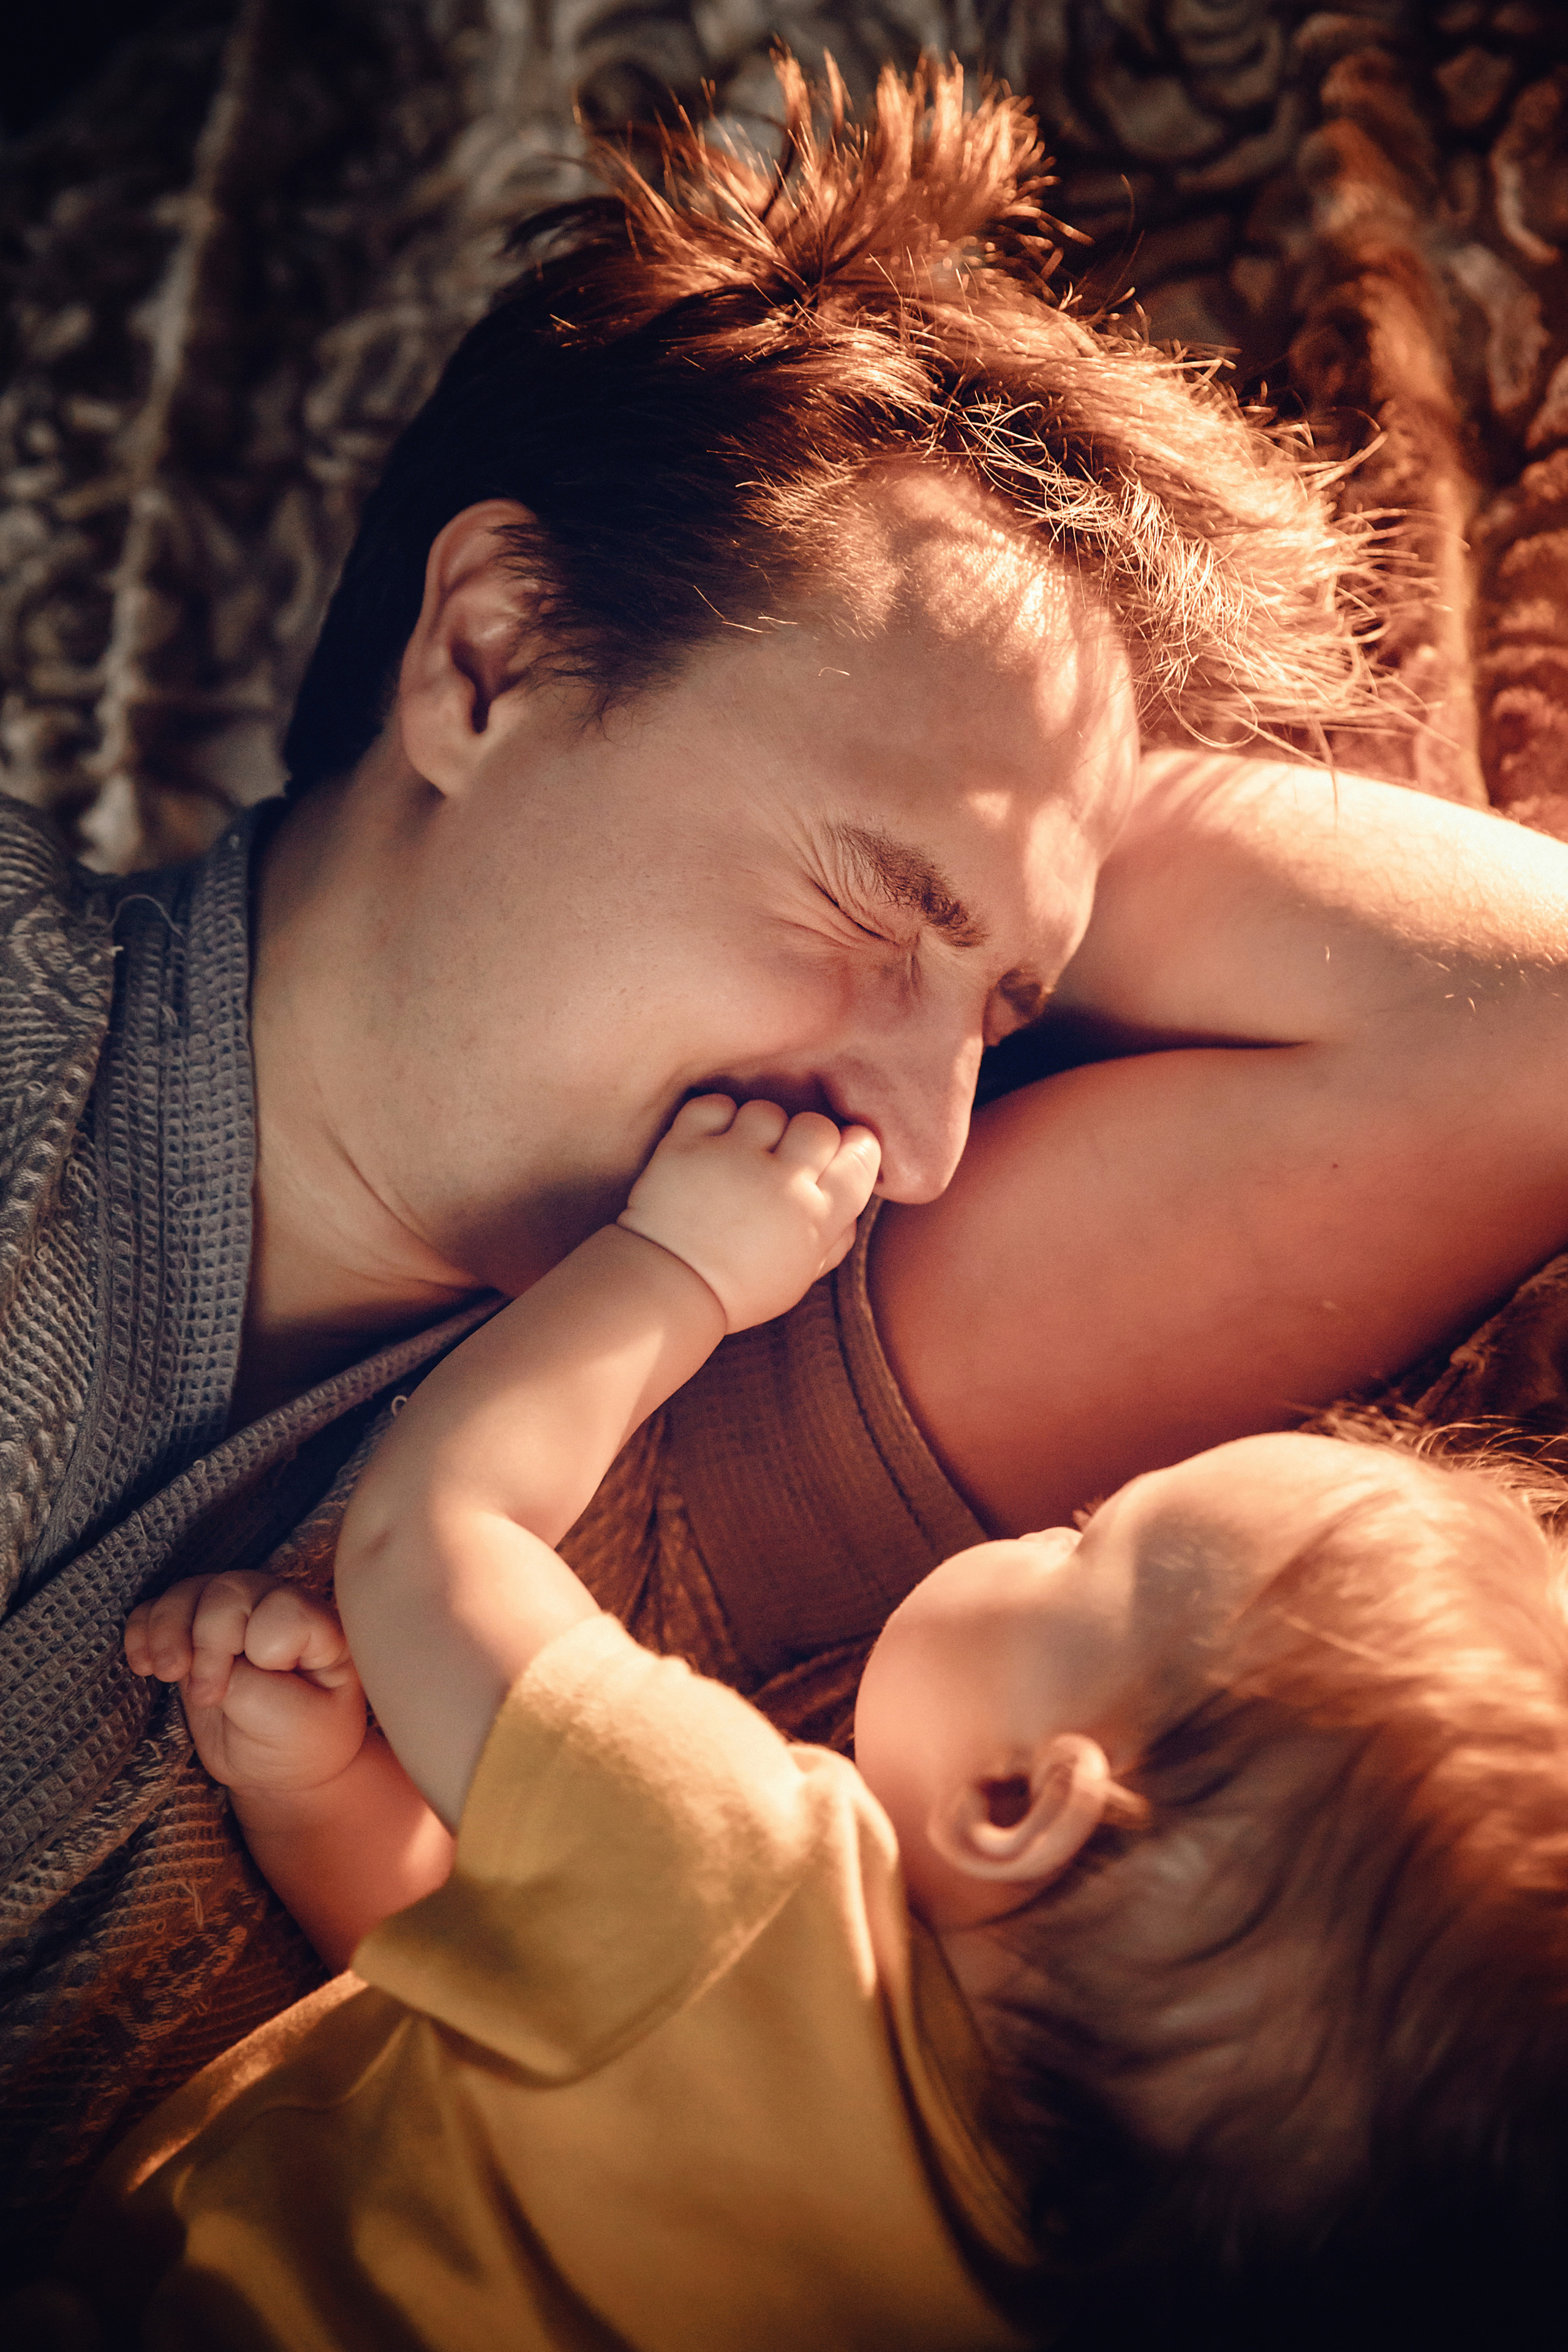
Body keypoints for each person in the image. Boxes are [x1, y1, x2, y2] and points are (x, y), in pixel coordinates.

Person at [10, 50, 1568, 2278]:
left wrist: (1021, 737)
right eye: (870, 910)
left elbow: (1533, 1030)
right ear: (490, 652)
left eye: (1010, 1012)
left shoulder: (698, 1458)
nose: (928, 1139)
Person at [36, 1093, 1567, 2351]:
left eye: (1090, 1538)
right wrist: (325, 1797)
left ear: (1016, 1803)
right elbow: (513, 1993)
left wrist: (680, 1266)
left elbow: (431, 1539)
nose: (1048, 1526)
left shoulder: (748, 1876)